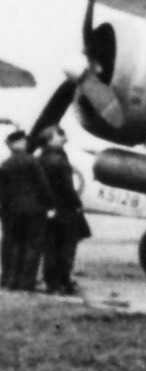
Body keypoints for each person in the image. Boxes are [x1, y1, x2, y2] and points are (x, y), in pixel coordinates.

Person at [37, 126, 89, 294]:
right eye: (59, 135)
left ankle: (51, 282)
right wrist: (77, 203)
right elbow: (67, 187)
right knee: (67, 247)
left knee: (50, 247)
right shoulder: (59, 160)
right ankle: (64, 281)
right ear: (49, 139)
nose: (63, 137)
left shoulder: (40, 159)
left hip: (47, 210)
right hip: (65, 210)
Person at [0, 129, 53, 291]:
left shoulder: (5, 165)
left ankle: (11, 280)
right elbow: (43, 185)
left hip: (13, 211)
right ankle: (26, 283)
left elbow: (2, 191)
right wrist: (50, 205)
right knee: (32, 246)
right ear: (19, 144)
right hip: (34, 210)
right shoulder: (32, 161)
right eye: (23, 140)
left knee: (13, 244)